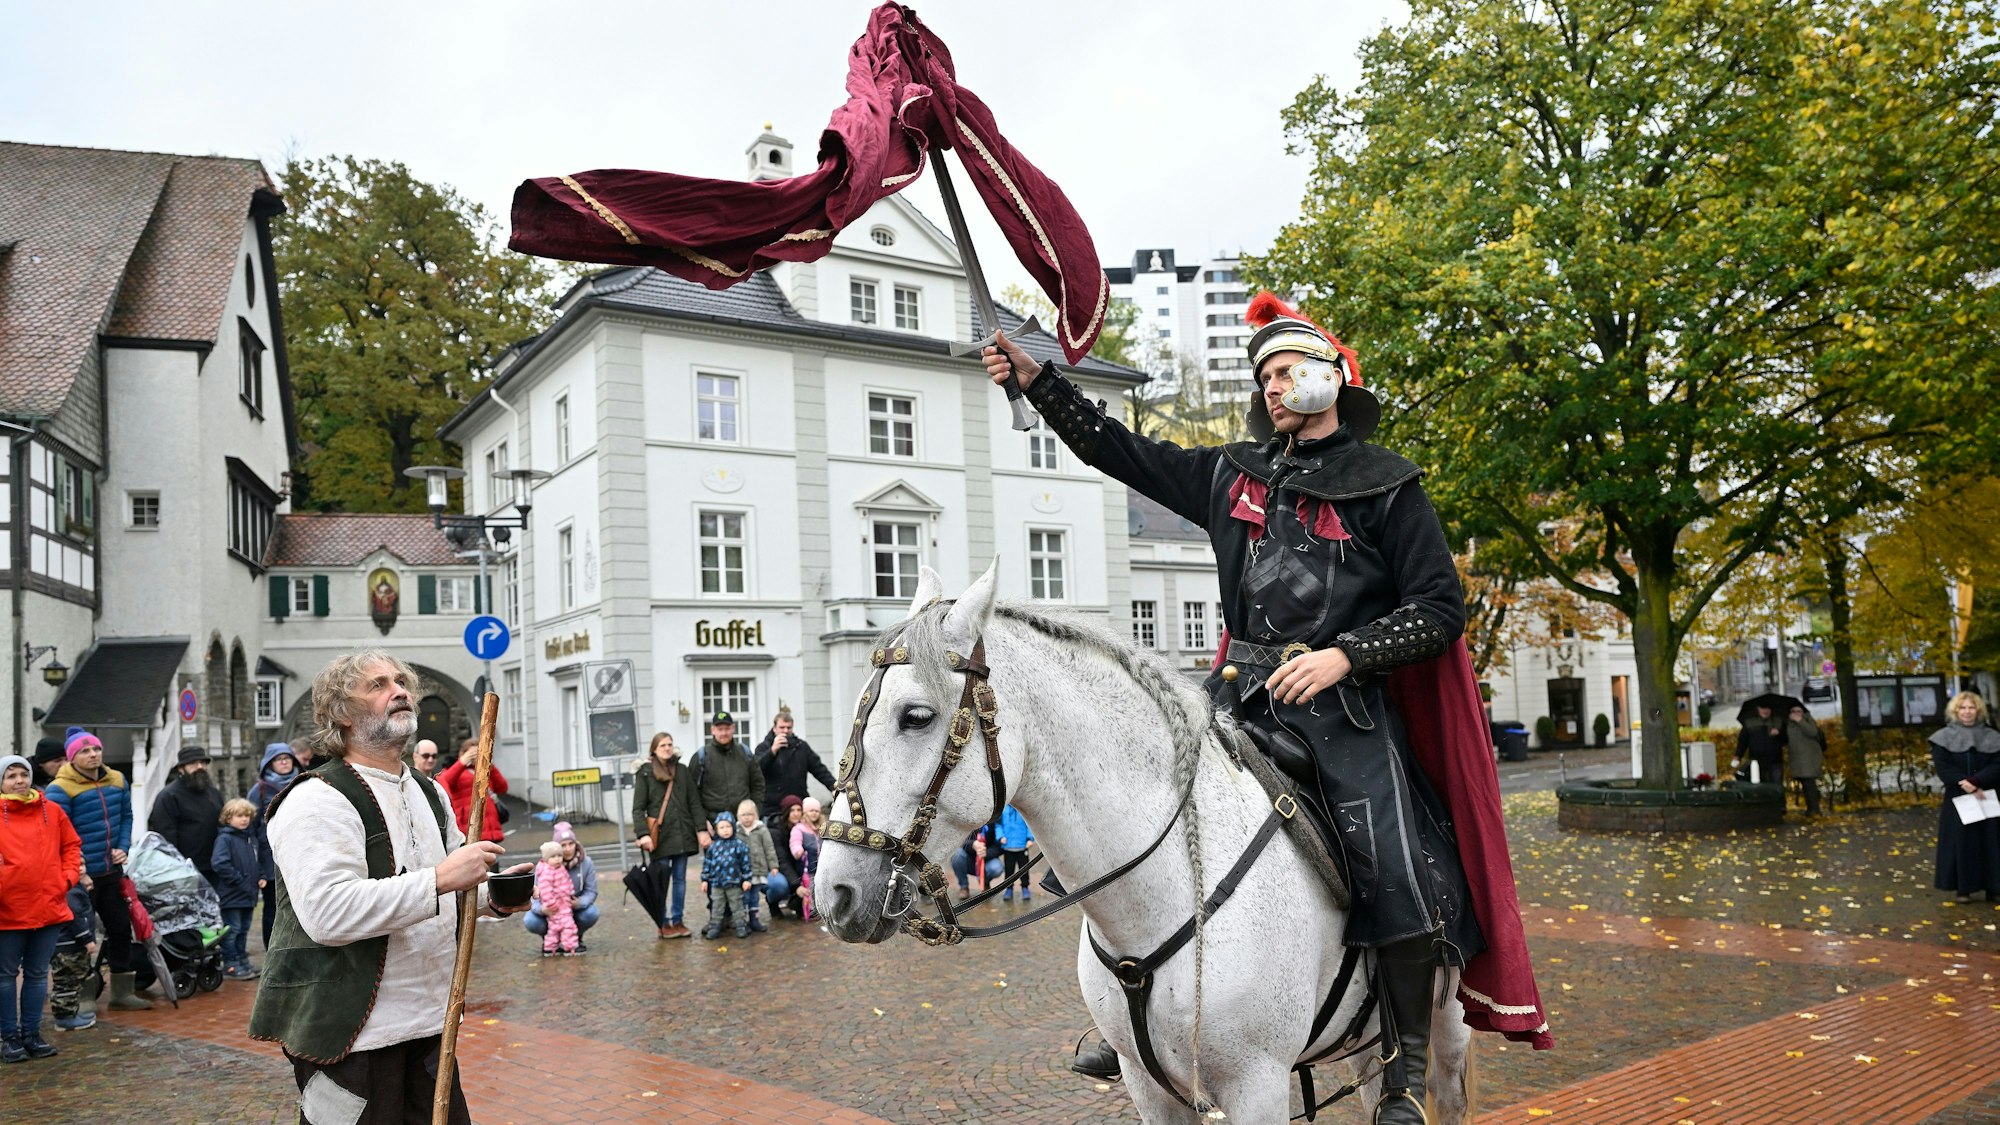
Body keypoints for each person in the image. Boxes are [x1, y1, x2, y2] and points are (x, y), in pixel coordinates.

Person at [985, 295, 1551, 1115]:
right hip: (1236, 700)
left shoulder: (1388, 486)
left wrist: (1343, 655)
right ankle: (1132, 1015)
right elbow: (1122, 449)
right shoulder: (1231, 474)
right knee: (1142, 811)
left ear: (1329, 378)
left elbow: (1439, 608)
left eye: (1288, 371)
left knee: (1391, 860)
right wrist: (1041, 382)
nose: (1274, 386)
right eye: (1265, 376)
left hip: (1346, 713)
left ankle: (1400, 1067)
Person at [249, 648, 531, 1125]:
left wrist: (495, 896)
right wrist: (442, 877)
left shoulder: (428, 790)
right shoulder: (316, 800)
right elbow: (329, 915)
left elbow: (451, 890)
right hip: (352, 1039)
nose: (399, 690)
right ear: (340, 713)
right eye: (377, 685)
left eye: (401, 681)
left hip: (430, 1024)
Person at [45, 727, 147, 1012]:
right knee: (83, 938)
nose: (93, 755)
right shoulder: (60, 789)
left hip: (112, 873)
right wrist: (79, 871)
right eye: (85, 751)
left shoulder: (117, 780)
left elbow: (127, 816)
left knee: (120, 930)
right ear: (72, 757)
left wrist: (123, 846)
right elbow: (57, 836)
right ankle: (85, 995)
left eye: (96, 749)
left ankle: (121, 993)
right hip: (81, 879)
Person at [0, 753, 83, 1062]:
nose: (19, 780)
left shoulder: (53, 810)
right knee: (5, 976)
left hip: (48, 905)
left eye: (23, 774)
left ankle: (31, 1034)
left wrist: (67, 878)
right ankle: (9, 1038)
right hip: (7, 909)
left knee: (37, 975)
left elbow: (71, 845)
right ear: (2, 782)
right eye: (11, 776)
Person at [1931, 691, 2000, 904]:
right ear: (1956, 711)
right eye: (1963, 708)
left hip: (1987, 795)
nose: (1967, 712)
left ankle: (1994, 887)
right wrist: (1965, 783)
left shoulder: (1992, 736)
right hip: (1958, 796)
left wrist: (1978, 781)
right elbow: (1943, 766)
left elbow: (1998, 764)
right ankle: (1963, 888)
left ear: (1978, 710)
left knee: (1991, 842)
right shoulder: (1943, 737)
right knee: (1961, 843)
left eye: (1971, 708)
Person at [633, 733, 704, 939]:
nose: (667, 748)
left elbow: (694, 802)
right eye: (663, 745)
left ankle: (678, 920)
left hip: (682, 833)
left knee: (680, 880)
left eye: (670, 744)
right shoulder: (645, 773)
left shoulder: (681, 771)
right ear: (654, 749)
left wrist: (700, 829)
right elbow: (638, 809)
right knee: (661, 881)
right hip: (660, 837)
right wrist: (643, 834)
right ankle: (663, 922)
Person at [247, 743, 302, 949]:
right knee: (272, 908)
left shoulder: (303, 782)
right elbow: (250, 827)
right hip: (270, 857)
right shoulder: (259, 790)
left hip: (299, 856)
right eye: (279, 759)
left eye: (287, 758)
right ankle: (272, 948)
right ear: (269, 763)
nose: (284, 762)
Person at [148, 744, 224, 883]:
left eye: (202, 763)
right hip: (186, 871)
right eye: (193, 764)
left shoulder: (213, 793)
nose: (200, 767)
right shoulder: (168, 796)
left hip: (216, 867)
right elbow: (165, 838)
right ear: (181, 769)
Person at [211, 798, 266, 980]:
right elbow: (220, 864)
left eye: (247, 816)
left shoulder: (250, 839)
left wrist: (261, 877)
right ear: (228, 818)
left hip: (248, 894)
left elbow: (255, 863)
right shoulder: (225, 839)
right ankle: (231, 963)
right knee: (232, 930)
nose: (244, 820)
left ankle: (242, 959)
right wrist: (241, 881)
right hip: (232, 894)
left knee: (243, 929)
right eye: (239, 816)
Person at [522, 821, 598, 951]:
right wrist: (542, 909)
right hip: (551, 909)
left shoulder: (586, 863)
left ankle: (575, 938)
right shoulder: (544, 867)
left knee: (591, 913)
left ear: (576, 844)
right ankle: (551, 941)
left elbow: (591, 891)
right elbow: (533, 894)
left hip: (572, 908)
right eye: (563, 845)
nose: (568, 849)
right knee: (530, 920)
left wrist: (579, 903)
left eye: (571, 844)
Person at [694, 712, 764, 847]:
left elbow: (758, 785)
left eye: (727, 729)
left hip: (744, 824)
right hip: (715, 825)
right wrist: (702, 824)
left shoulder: (745, 754)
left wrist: (755, 812)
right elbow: (693, 795)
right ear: (712, 730)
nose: (724, 733)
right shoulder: (701, 757)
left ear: (733, 728)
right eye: (720, 729)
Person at [754, 710, 835, 822]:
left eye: (789, 727)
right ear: (774, 728)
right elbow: (756, 770)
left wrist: (835, 788)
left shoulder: (801, 747)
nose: (785, 731)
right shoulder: (763, 747)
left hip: (798, 805)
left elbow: (819, 770)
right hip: (773, 809)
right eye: (782, 727)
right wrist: (772, 751)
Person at [437, 737, 510, 844]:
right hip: (467, 825)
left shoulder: (485, 770)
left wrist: (490, 765)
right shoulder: (453, 769)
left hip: (489, 825)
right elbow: (445, 782)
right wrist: (462, 763)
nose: (476, 756)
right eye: (472, 754)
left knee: (491, 858)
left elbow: (502, 787)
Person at [48, 878, 97, 1032]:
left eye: (83, 864)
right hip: (67, 944)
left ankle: (69, 1014)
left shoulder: (77, 888)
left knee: (72, 980)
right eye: (78, 865)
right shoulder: (69, 892)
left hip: (70, 944)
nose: (81, 868)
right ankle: (64, 1018)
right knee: (66, 981)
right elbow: (74, 918)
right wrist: (87, 938)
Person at [697, 811, 753, 940]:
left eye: (728, 827)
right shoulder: (713, 846)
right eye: (722, 827)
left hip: (734, 882)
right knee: (717, 906)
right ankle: (715, 926)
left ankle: (740, 925)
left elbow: (746, 863)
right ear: (717, 829)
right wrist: (704, 880)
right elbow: (707, 864)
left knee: (737, 905)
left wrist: (746, 879)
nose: (725, 830)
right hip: (717, 883)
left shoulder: (740, 845)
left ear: (733, 827)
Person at [735, 799, 782, 932]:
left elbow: (769, 848)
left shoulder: (761, 829)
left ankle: (754, 919)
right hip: (742, 872)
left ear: (755, 815)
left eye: (750, 814)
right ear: (739, 816)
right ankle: (743, 921)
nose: (747, 818)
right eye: (743, 815)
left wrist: (773, 865)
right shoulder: (736, 830)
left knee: (755, 897)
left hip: (758, 870)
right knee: (744, 896)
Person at [532, 843, 579, 956]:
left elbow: (567, 882)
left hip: (564, 903)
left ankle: (550, 947)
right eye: (553, 857)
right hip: (556, 906)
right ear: (546, 859)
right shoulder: (546, 872)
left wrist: (571, 894)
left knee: (555, 927)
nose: (557, 859)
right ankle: (569, 946)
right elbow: (545, 890)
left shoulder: (561, 868)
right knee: (568, 926)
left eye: (559, 856)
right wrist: (551, 904)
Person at [770, 796, 808, 918]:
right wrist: (796, 886)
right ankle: (773, 903)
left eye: (799, 810)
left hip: (797, 868)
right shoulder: (775, 832)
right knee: (779, 886)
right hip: (777, 868)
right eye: (792, 810)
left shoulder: (806, 828)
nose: (796, 814)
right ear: (786, 812)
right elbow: (782, 861)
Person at [1786, 705, 1827, 816]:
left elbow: (1812, 732)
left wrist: (1800, 721)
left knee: (1809, 782)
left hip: (1809, 757)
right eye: (1793, 711)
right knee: (1805, 783)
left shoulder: (1807, 720)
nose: (1796, 713)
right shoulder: (1789, 724)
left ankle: (1815, 809)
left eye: (1798, 711)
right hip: (1797, 758)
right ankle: (1811, 808)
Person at [952, 821, 1002, 898]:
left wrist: (986, 853)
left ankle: (985, 882)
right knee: (956, 855)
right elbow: (959, 841)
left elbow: (999, 846)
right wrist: (972, 845)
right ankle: (964, 887)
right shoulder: (968, 821)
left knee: (997, 867)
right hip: (969, 860)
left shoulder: (994, 822)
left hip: (986, 860)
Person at [1737, 704, 1785, 784]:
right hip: (1756, 761)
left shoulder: (1778, 721)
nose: (1765, 711)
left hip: (1775, 761)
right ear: (1758, 709)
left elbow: (1785, 740)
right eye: (1763, 708)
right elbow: (1743, 741)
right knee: (1758, 786)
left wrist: (1779, 734)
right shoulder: (1750, 722)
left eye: (1767, 709)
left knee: (1777, 786)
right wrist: (1738, 755)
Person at [792, 798, 823, 919]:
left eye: (816, 810)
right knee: (810, 889)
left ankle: (822, 909)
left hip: (821, 866)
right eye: (811, 810)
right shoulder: (799, 828)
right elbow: (795, 841)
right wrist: (797, 850)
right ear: (805, 812)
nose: (814, 813)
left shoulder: (822, 827)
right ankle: (812, 911)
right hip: (808, 866)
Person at [997, 804, 1033, 903]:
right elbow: (998, 825)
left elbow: (1029, 824)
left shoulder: (1023, 809)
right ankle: (1009, 888)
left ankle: (1025, 887)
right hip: (1008, 847)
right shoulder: (1003, 810)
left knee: (1024, 869)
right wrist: (1000, 837)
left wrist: (1030, 838)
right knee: (1009, 870)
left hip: (1023, 846)